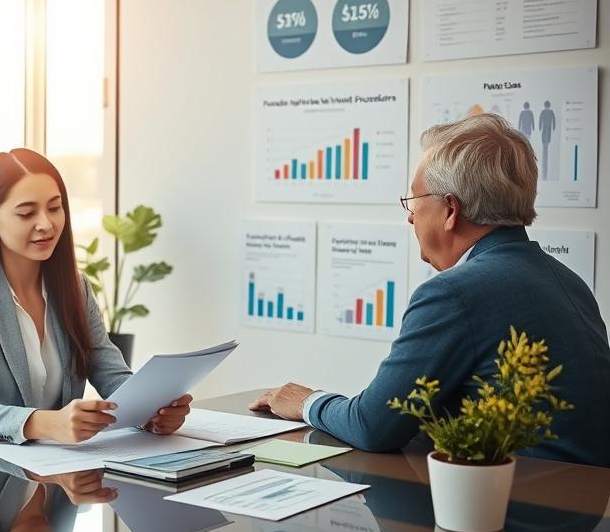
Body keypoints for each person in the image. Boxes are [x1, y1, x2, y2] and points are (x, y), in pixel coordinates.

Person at [249, 114, 610, 466]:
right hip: (582, 507)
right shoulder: (568, 281)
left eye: (415, 202)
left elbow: (374, 425)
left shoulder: (455, 293)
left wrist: (307, 401)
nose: (410, 217)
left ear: (450, 209)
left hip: (513, 509)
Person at [0, 148, 191, 446]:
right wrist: (48, 423)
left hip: (56, 468)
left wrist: (153, 411)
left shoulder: (75, 288)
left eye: (54, 208)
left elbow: (113, 376)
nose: (46, 224)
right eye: (27, 213)